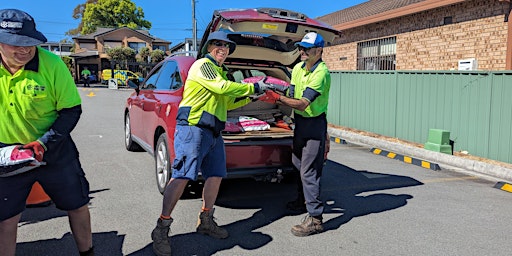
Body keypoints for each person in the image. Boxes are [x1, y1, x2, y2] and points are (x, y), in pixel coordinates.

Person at [151, 31, 273, 256]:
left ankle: (206, 220)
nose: (223, 48)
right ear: (209, 47)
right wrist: (253, 87)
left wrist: (252, 96)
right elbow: (222, 88)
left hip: (214, 132)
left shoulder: (221, 72)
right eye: (218, 44)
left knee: (216, 175)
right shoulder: (203, 65)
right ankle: (161, 228)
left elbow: (227, 101)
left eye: (226, 46)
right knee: (182, 176)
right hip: (193, 128)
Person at [0, 9, 94, 255]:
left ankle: (87, 252)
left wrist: (43, 143)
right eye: (15, 44)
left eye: (30, 43)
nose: (24, 50)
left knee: (77, 204)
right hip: (7, 153)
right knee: (6, 218)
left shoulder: (52, 65)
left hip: (54, 150)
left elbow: (71, 110)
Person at [259, 32, 330, 237]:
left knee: (309, 170)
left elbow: (302, 103)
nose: (302, 51)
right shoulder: (298, 68)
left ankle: (316, 219)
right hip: (300, 123)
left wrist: (277, 99)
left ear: (319, 50)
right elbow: (292, 93)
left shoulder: (321, 73)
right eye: (301, 47)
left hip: (314, 125)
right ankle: (302, 201)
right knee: (298, 165)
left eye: (307, 49)